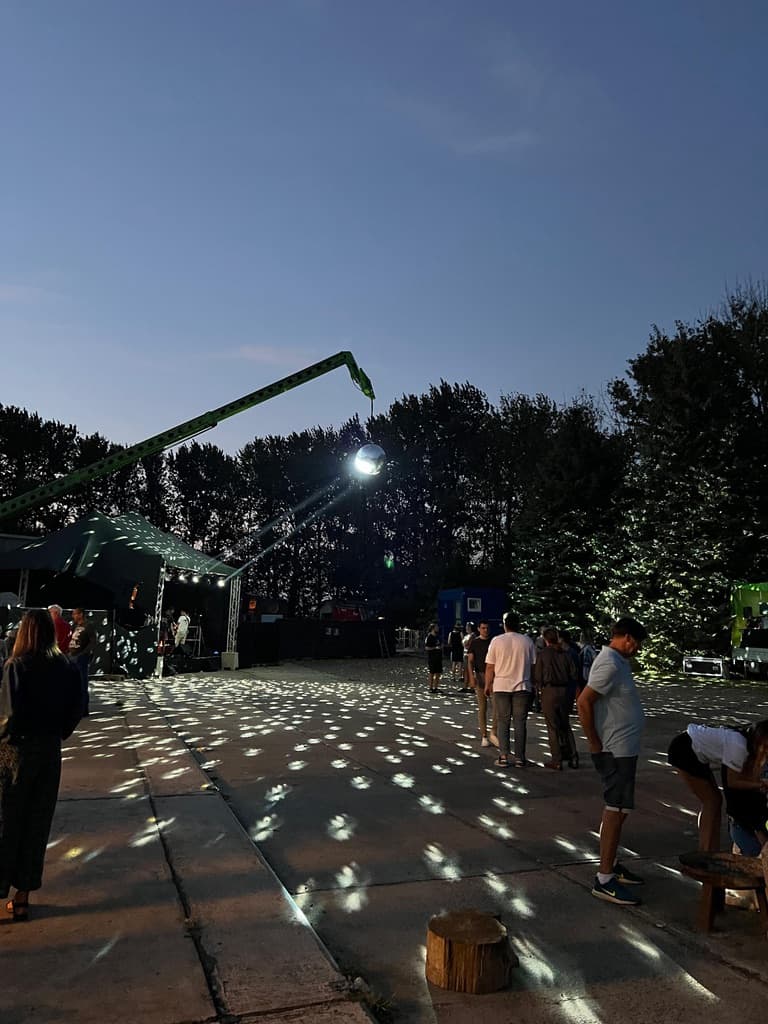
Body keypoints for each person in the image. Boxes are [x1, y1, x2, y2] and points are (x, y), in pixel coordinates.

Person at [0, 608, 82, 920]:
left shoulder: (16, 665)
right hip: (49, 752)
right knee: (37, 823)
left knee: (6, 821)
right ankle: (22, 898)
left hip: (15, 752)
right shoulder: (66, 666)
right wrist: (59, 732)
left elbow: (7, 715)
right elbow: (76, 707)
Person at [577, 616, 648, 907]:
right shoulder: (609, 663)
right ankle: (604, 878)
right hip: (615, 750)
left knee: (621, 809)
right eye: (638, 643)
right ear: (628, 638)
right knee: (615, 810)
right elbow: (584, 702)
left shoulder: (618, 662)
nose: (638, 649)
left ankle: (612, 864)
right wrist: (595, 743)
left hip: (625, 750)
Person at [666, 721, 768, 851]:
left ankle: (712, 849)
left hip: (694, 750)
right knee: (711, 801)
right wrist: (761, 784)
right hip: (684, 750)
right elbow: (732, 782)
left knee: (715, 800)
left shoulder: (744, 742)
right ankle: (705, 852)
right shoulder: (738, 746)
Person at [484, 611, 536, 768]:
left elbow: (490, 667)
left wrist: (487, 684)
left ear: (505, 625)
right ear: (518, 624)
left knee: (503, 721)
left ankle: (503, 756)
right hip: (522, 685)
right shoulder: (527, 641)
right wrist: (533, 683)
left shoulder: (496, 641)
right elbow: (533, 666)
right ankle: (520, 758)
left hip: (501, 686)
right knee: (520, 722)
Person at [534, 627, 579, 770]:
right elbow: (574, 673)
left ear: (545, 639)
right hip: (565, 691)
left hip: (549, 690)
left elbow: (538, 675)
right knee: (565, 724)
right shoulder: (565, 653)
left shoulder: (543, 654)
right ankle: (573, 756)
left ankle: (556, 759)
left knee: (552, 726)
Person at [467, 620, 494, 747]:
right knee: (482, 707)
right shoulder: (475, 642)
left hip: (493, 677)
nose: (485, 630)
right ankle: (484, 735)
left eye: (487, 628)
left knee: (496, 708)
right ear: (478, 629)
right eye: (483, 628)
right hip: (480, 675)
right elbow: (470, 661)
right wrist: (471, 677)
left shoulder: (493, 642)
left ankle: (494, 732)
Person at [69, 607, 96, 716]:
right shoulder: (76, 626)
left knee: (82, 684)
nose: (73, 616)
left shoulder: (88, 626)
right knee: (74, 684)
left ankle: (84, 709)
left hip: (81, 657)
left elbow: (93, 642)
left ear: (81, 614)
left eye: (75, 614)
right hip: (73, 655)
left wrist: (84, 653)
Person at [424, 623, 443, 693]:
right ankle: (430, 687)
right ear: (433, 628)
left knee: (438, 673)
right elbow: (426, 648)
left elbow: (440, 644)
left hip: (438, 657)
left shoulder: (437, 636)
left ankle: (436, 687)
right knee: (431, 672)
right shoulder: (429, 637)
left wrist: (441, 647)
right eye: (436, 627)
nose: (437, 628)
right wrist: (434, 648)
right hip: (432, 657)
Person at [447, 621, 465, 688]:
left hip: (453, 649)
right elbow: (463, 642)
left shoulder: (450, 633)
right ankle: (460, 676)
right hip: (459, 649)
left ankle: (453, 676)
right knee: (460, 663)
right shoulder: (460, 633)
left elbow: (449, 642)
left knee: (454, 663)